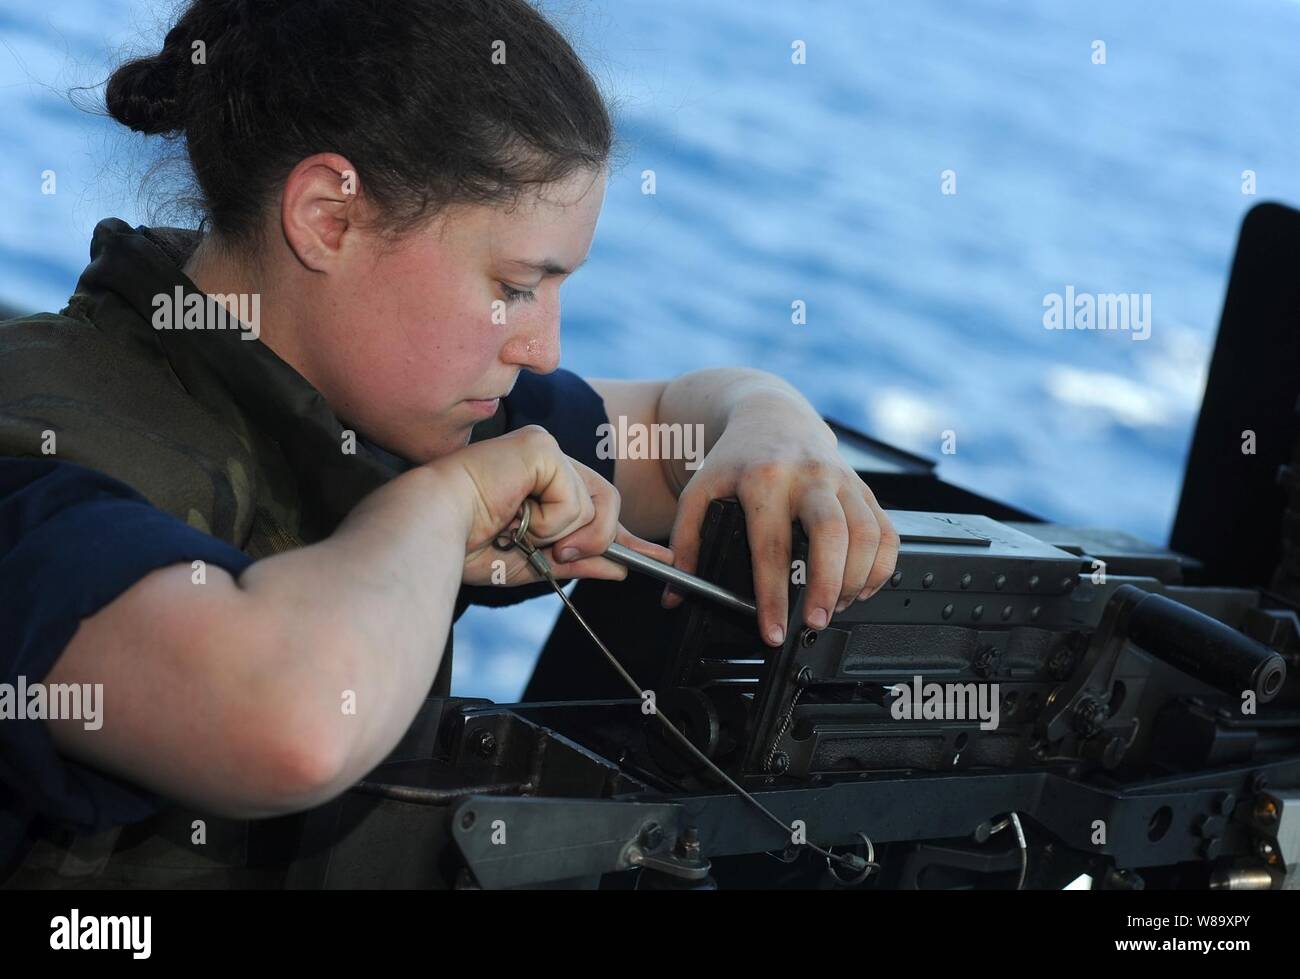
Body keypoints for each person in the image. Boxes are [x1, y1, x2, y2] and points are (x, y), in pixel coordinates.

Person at [0, 0, 898, 884]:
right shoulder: (39, 447)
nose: (542, 346)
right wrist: (439, 510)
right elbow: (288, 724)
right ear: (329, 218)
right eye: (513, 285)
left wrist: (773, 419)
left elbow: (670, 429)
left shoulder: (398, 402)